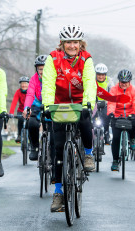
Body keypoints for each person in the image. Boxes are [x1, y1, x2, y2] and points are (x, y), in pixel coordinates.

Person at [41, 25, 97, 212]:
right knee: (58, 150)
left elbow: (90, 82)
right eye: (68, 42)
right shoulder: (53, 58)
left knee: (85, 121)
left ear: (80, 43)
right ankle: (58, 193)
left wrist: (88, 103)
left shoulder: (86, 59)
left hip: (80, 103)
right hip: (59, 105)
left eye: (75, 42)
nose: (72, 46)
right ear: (62, 43)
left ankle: (88, 153)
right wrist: (47, 105)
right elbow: (48, 83)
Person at [107, 69, 135, 171]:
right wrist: (111, 113)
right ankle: (115, 161)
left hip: (130, 114)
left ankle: (132, 139)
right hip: (117, 114)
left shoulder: (134, 90)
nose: (124, 84)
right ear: (119, 81)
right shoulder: (114, 89)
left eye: (126, 82)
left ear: (129, 81)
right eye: (122, 82)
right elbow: (112, 102)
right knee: (116, 138)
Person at [22, 55, 50, 161]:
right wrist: (26, 108)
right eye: (40, 69)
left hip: (50, 105)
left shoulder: (54, 77)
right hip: (37, 104)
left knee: (52, 127)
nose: (42, 72)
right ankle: (34, 147)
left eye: (44, 69)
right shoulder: (34, 79)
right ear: (37, 69)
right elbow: (29, 94)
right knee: (32, 123)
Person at [95, 63, 114, 144]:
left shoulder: (109, 81)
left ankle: (106, 133)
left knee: (106, 116)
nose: (101, 76)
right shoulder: (92, 80)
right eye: (99, 74)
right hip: (94, 103)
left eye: (103, 75)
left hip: (105, 103)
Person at [9, 76, 29, 143]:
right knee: (20, 120)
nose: (23, 85)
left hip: (29, 110)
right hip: (21, 111)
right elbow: (14, 102)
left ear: (28, 84)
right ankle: (19, 135)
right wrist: (11, 113)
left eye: (25, 83)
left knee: (31, 122)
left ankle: (30, 137)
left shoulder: (30, 91)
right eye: (22, 83)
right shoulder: (18, 92)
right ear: (20, 84)